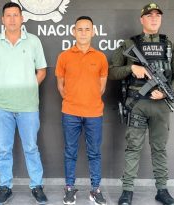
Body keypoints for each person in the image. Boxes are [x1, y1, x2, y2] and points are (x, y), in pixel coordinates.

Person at [109, 3, 174, 205]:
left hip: (161, 105)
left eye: (157, 15)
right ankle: (127, 191)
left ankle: (162, 190)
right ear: (141, 19)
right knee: (133, 147)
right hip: (137, 104)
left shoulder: (169, 45)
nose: (154, 18)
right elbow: (113, 71)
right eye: (149, 15)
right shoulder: (128, 45)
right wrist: (132, 68)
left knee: (159, 148)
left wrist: (168, 92)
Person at [0, 2, 48, 205]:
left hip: (28, 106)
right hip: (2, 106)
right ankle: (5, 187)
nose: (12, 19)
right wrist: (1, 87)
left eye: (15, 15)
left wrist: (28, 87)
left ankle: (37, 186)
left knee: (31, 148)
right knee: (3, 149)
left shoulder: (34, 42)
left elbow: (42, 71)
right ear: (2, 19)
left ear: (22, 18)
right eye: (8, 15)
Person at [55, 16, 108, 205]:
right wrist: (73, 99)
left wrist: (89, 99)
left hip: (94, 113)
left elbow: (102, 86)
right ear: (73, 32)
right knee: (70, 151)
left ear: (93, 32)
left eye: (87, 29)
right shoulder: (64, 56)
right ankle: (69, 188)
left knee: (94, 153)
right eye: (80, 29)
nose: (83, 33)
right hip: (70, 112)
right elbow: (60, 85)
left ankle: (95, 190)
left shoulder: (100, 57)